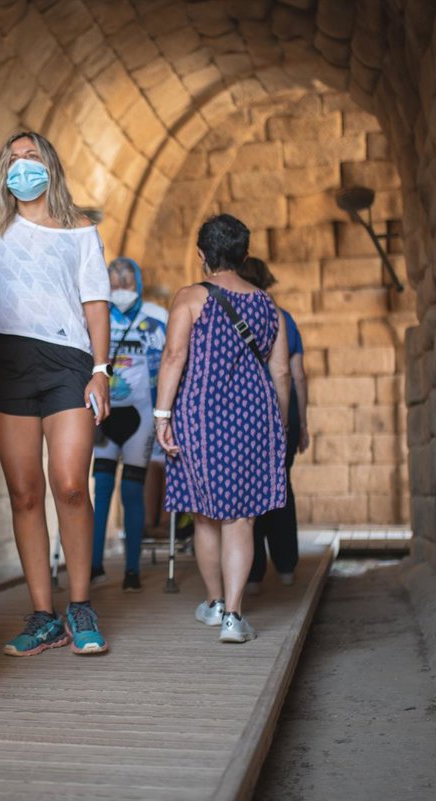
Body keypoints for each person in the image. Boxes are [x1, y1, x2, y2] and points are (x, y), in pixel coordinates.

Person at [0, 131, 112, 656]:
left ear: (49, 164)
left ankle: (81, 605)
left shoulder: (81, 231)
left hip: (69, 364)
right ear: (2, 173)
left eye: (31, 157)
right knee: (25, 493)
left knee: (71, 485)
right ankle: (43, 615)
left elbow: (96, 303)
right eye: (13, 160)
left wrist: (101, 370)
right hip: (9, 364)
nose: (22, 167)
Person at [154, 215, 290, 644]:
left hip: (200, 416)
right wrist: (280, 424)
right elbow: (281, 372)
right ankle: (234, 615)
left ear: (201, 254)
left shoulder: (190, 298)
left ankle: (214, 604)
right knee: (241, 518)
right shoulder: (268, 305)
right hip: (254, 416)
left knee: (204, 514)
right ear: (245, 255)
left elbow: (174, 357)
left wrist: (162, 415)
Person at [91, 257, 167, 592]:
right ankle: (94, 565)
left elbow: (171, 361)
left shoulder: (157, 317)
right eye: (114, 280)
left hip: (141, 415)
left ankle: (132, 571)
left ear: (138, 280)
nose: (121, 286)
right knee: (102, 488)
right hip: (104, 413)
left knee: (132, 491)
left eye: (126, 280)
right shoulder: (97, 314)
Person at [243, 257, 310, 593]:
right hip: (283, 411)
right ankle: (286, 567)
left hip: (247, 413)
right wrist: (301, 423)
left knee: (249, 491)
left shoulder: (229, 315)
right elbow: (295, 375)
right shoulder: (283, 318)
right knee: (281, 486)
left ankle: (253, 575)